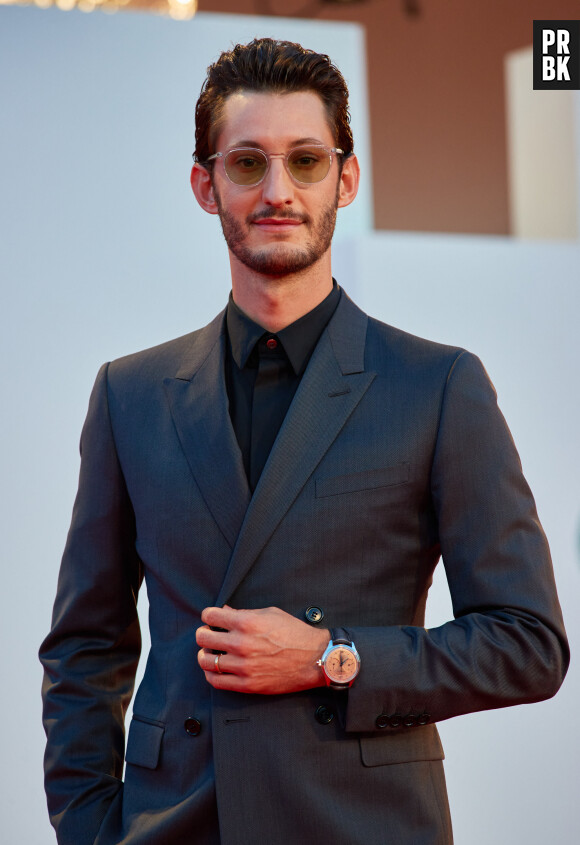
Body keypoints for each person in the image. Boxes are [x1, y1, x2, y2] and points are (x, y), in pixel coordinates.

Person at [40, 38, 569, 845]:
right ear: (205, 185)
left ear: (345, 178)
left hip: (363, 825)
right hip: (175, 823)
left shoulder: (438, 386)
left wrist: (333, 655)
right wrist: (88, 828)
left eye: (306, 161)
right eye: (247, 164)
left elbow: (529, 644)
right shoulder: (131, 393)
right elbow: (85, 647)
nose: (278, 191)